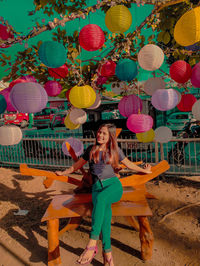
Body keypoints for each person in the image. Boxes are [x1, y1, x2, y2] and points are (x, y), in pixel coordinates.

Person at [56, 123, 151, 265]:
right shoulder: (91, 149)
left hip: (113, 187)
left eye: (104, 134)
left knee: (101, 199)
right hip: (97, 189)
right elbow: (77, 165)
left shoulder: (115, 150)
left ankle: (91, 244)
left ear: (110, 136)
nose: (100, 135)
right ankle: (108, 256)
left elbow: (129, 164)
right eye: (99, 132)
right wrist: (63, 172)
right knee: (105, 220)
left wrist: (145, 170)